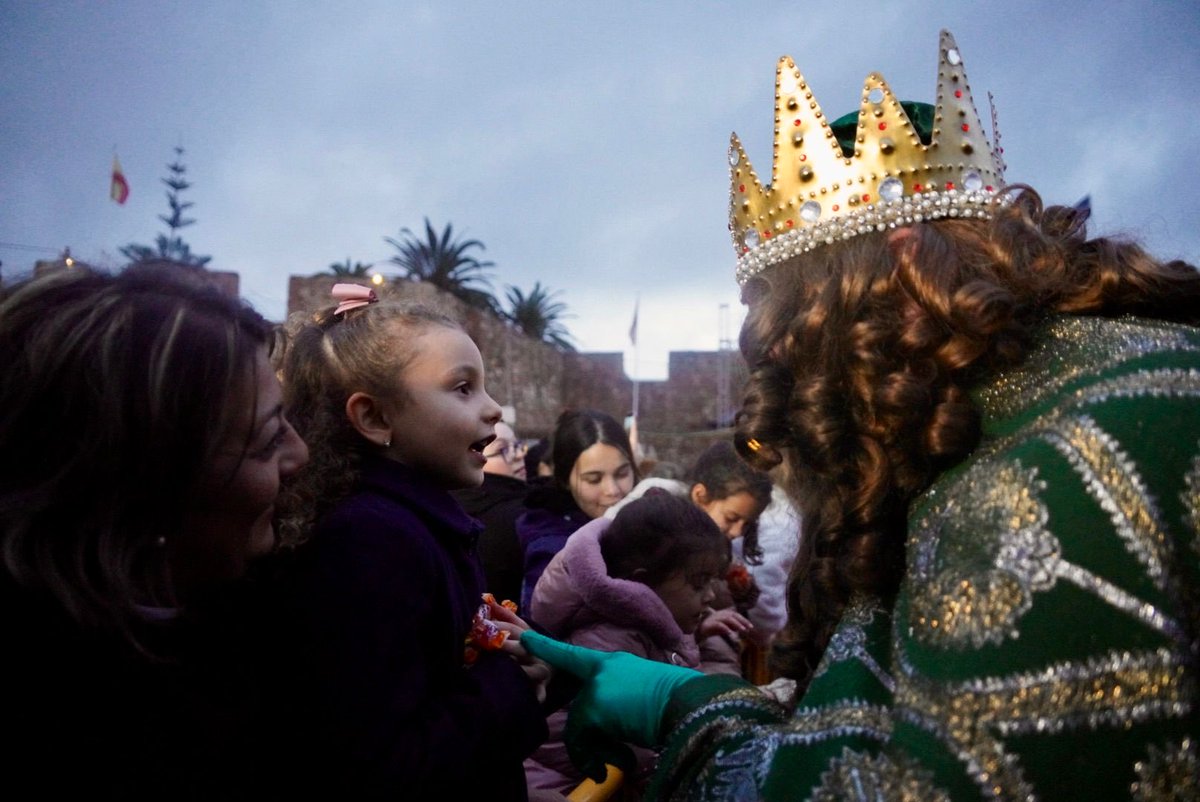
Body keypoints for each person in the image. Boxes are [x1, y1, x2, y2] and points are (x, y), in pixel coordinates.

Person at [517, 30, 1200, 801]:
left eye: (791, 327)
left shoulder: (1041, 478)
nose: (782, 376)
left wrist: (688, 707)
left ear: (895, 280)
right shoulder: (1105, 369)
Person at [1, 262, 309, 798]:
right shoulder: (95, 734)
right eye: (264, 441)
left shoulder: (260, 622)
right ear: (144, 485)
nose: (300, 454)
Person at [266, 284, 548, 800]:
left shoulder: (409, 527)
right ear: (374, 417)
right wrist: (511, 683)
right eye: (462, 388)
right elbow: (384, 763)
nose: (493, 409)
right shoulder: (367, 544)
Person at [525, 493, 731, 797]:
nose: (710, 596)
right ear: (641, 584)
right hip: (571, 789)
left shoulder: (655, 624)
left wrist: (700, 633)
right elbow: (644, 755)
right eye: (698, 583)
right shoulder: (610, 642)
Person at [517, 408, 637, 614]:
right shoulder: (552, 548)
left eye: (622, 473)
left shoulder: (647, 519)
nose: (613, 491)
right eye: (593, 479)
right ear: (565, 480)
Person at [452, 420, 530, 603]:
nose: (519, 454)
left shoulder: (445, 507)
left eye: (517, 445)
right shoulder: (522, 517)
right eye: (503, 449)